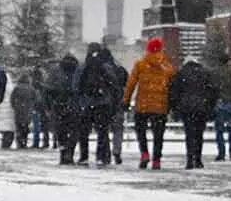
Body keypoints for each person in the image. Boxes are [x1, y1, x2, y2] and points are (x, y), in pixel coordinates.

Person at [125, 37, 178, 170]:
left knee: (140, 131)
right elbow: (174, 86)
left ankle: (144, 153)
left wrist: (126, 100)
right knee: (158, 134)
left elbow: (130, 84)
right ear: (160, 49)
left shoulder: (140, 64)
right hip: (160, 106)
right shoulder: (167, 66)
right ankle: (156, 160)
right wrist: (173, 104)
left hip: (142, 105)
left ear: (148, 49)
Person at [167, 54, 219, 170]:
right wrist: (209, 106)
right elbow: (213, 91)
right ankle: (198, 159)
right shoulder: (205, 73)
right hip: (201, 108)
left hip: (187, 109)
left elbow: (174, 92)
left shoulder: (180, 74)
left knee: (189, 134)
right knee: (199, 134)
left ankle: (190, 159)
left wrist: (174, 107)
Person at [77, 43, 125, 167]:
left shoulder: (83, 66)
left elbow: (77, 86)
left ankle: (84, 156)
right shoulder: (106, 67)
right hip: (103, 103)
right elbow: (114, 85)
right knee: (102, 131)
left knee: (84, 132)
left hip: (87, 104)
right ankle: (101, 156)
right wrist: (113, 99)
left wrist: (82, 99)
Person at [52, 54, 86, 164]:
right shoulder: (78, 71)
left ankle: (63, 151)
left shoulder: (56, 72)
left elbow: (48, 90)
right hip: (74, 105)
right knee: (74, 130)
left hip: (59, 105)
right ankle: (70, 151)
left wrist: (49, 104)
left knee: (61, 130)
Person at [211, 51, 231, 161]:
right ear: (228, 61)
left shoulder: (214, 73)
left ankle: (221, 152)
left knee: (219, 130)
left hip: (219, 102)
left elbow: (211, 87)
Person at [6, 68, 34, 149]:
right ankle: (24, 141)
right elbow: (36, 99)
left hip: (18, 111)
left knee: (19, 127)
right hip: (27, 111)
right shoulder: (31, 89)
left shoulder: (17, 88)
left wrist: (14, 106)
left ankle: (19, 141)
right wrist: (31, 106)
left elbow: (12, 98)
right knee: (25, 127)